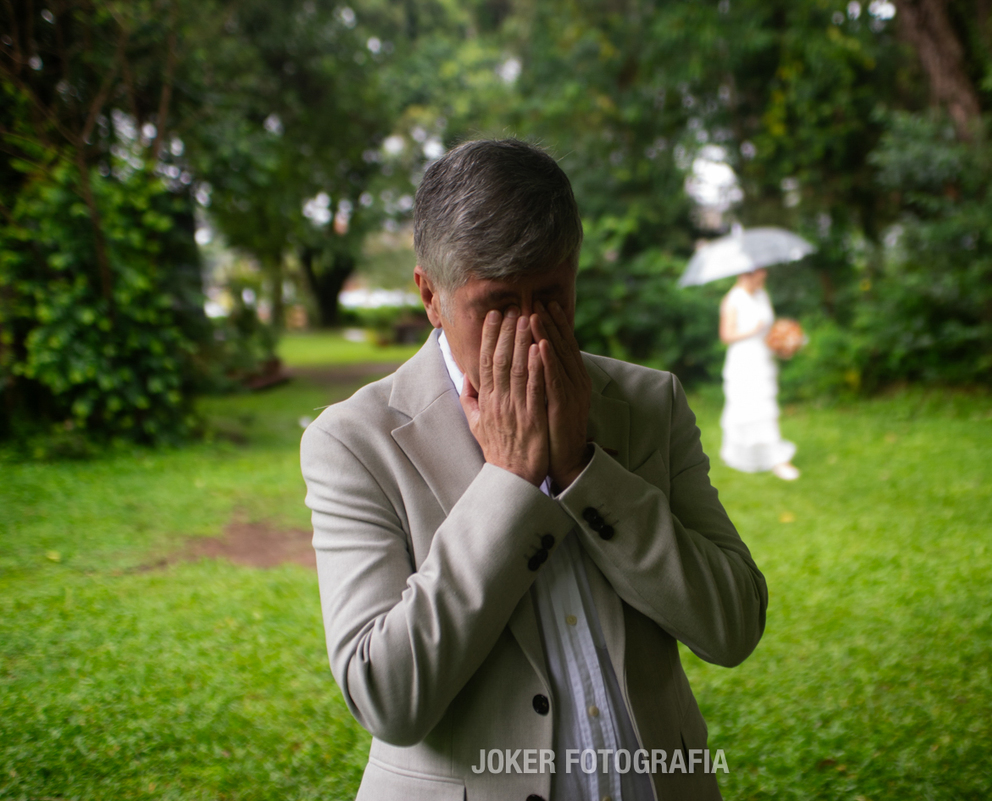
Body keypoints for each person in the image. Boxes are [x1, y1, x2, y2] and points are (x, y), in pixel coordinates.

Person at [300, 139, 767, 801]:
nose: (532, 332)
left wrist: (584, 469)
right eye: (495, 305)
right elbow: (386, 695)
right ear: (431, 296)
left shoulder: (648, 402)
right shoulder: (353, 441)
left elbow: (733, 624)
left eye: (551, 296)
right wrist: (511, 482)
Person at [718, 267, 799, 480]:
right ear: (746, 274)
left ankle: (773, 457)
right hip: (743, 360)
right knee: (747, 408)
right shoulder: (733, 299)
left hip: (763, 359)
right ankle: (764, 459)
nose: (764, 277)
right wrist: (752, 331)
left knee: (766, 408)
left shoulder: (763, 295)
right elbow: (726, 335)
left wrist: (783, 342)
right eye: (760, 274)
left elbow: (769, 329)